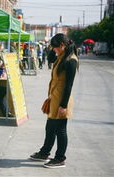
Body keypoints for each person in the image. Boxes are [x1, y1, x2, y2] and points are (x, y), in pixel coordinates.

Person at [30, 33, 79, 168]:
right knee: (50, 127)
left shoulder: (71, 60)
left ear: (62, 45)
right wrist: (53, 48)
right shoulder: (62, 56)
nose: (54, 50)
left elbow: (69, 85)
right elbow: (50, 59)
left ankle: (60, 158)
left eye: (56, 47)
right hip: (54, 97)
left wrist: (63, 106)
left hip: (62, 100)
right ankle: (45, 152)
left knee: (60, 130)